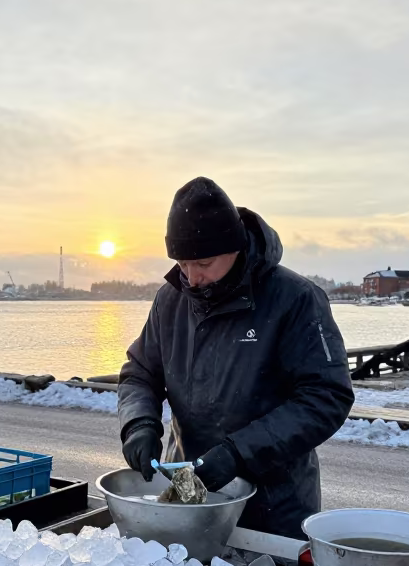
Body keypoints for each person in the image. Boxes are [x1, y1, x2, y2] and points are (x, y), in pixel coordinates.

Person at [118, 177, 354, 539]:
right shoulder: (170, 300)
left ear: (235, 247)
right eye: (183, 264)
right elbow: (140, 373)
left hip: (274, 509)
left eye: (204, 263)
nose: (192, 278)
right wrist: (138, 423)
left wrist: (239, 452)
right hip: (187, 498)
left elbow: (326, 397)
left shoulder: (296, 299)